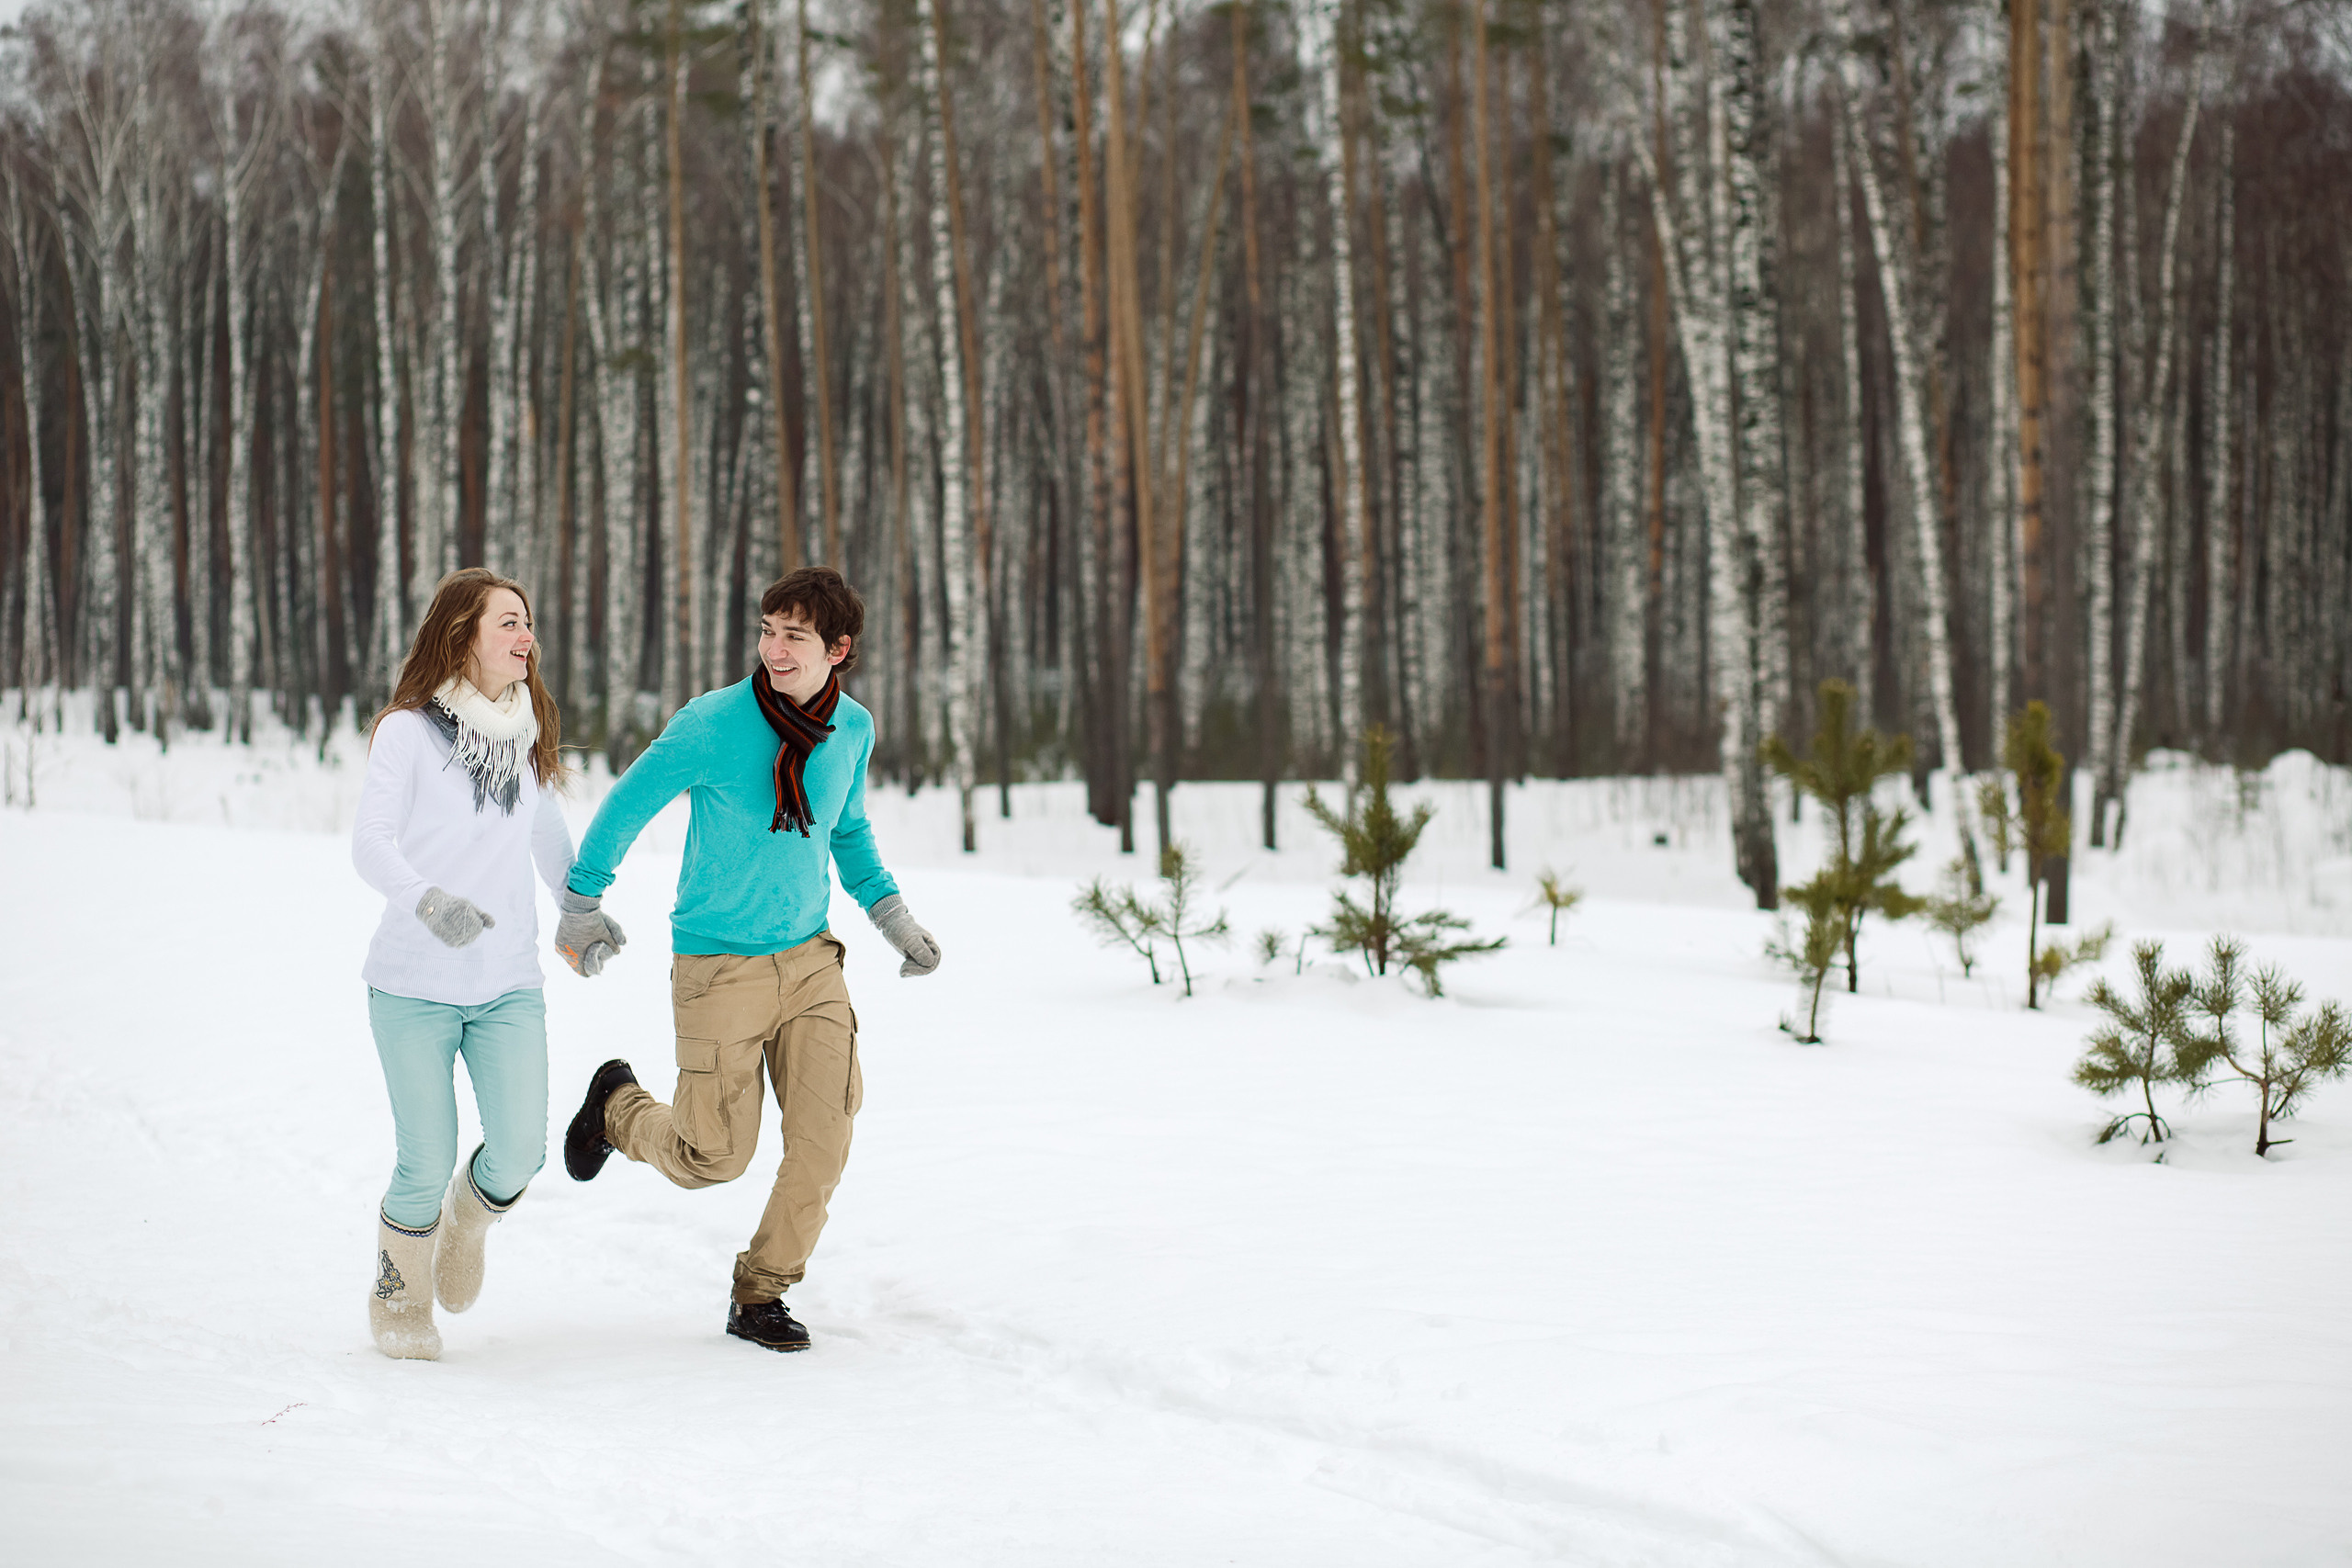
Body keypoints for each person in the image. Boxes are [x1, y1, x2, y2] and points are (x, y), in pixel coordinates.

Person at [554, 565, 938, 1353]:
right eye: (767, 630)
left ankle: (760, 1292)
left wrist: (891, 916)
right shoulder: (713, 723)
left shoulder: (852, 729)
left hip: (810, 963)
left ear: (838, 649)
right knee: (713, 1157)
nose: (774, 649)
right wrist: (582, 903)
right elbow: (628, 802)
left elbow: (846, 829)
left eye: (795, 635)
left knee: (824, 1140)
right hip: (719, 968)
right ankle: (618, 1107)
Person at [351, 568, 574, 1361]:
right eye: (508, 622)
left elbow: (548, 838)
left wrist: (580, 909)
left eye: (528, 621)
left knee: (519, 1153)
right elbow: (370, 842)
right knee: (426, 1158)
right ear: (462, 635)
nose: (527, 636)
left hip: (507, 984)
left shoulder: (523, 731)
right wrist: (428, 900)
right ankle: (399, 1297)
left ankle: (467, 1221)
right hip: (412, 985)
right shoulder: (407, 732)